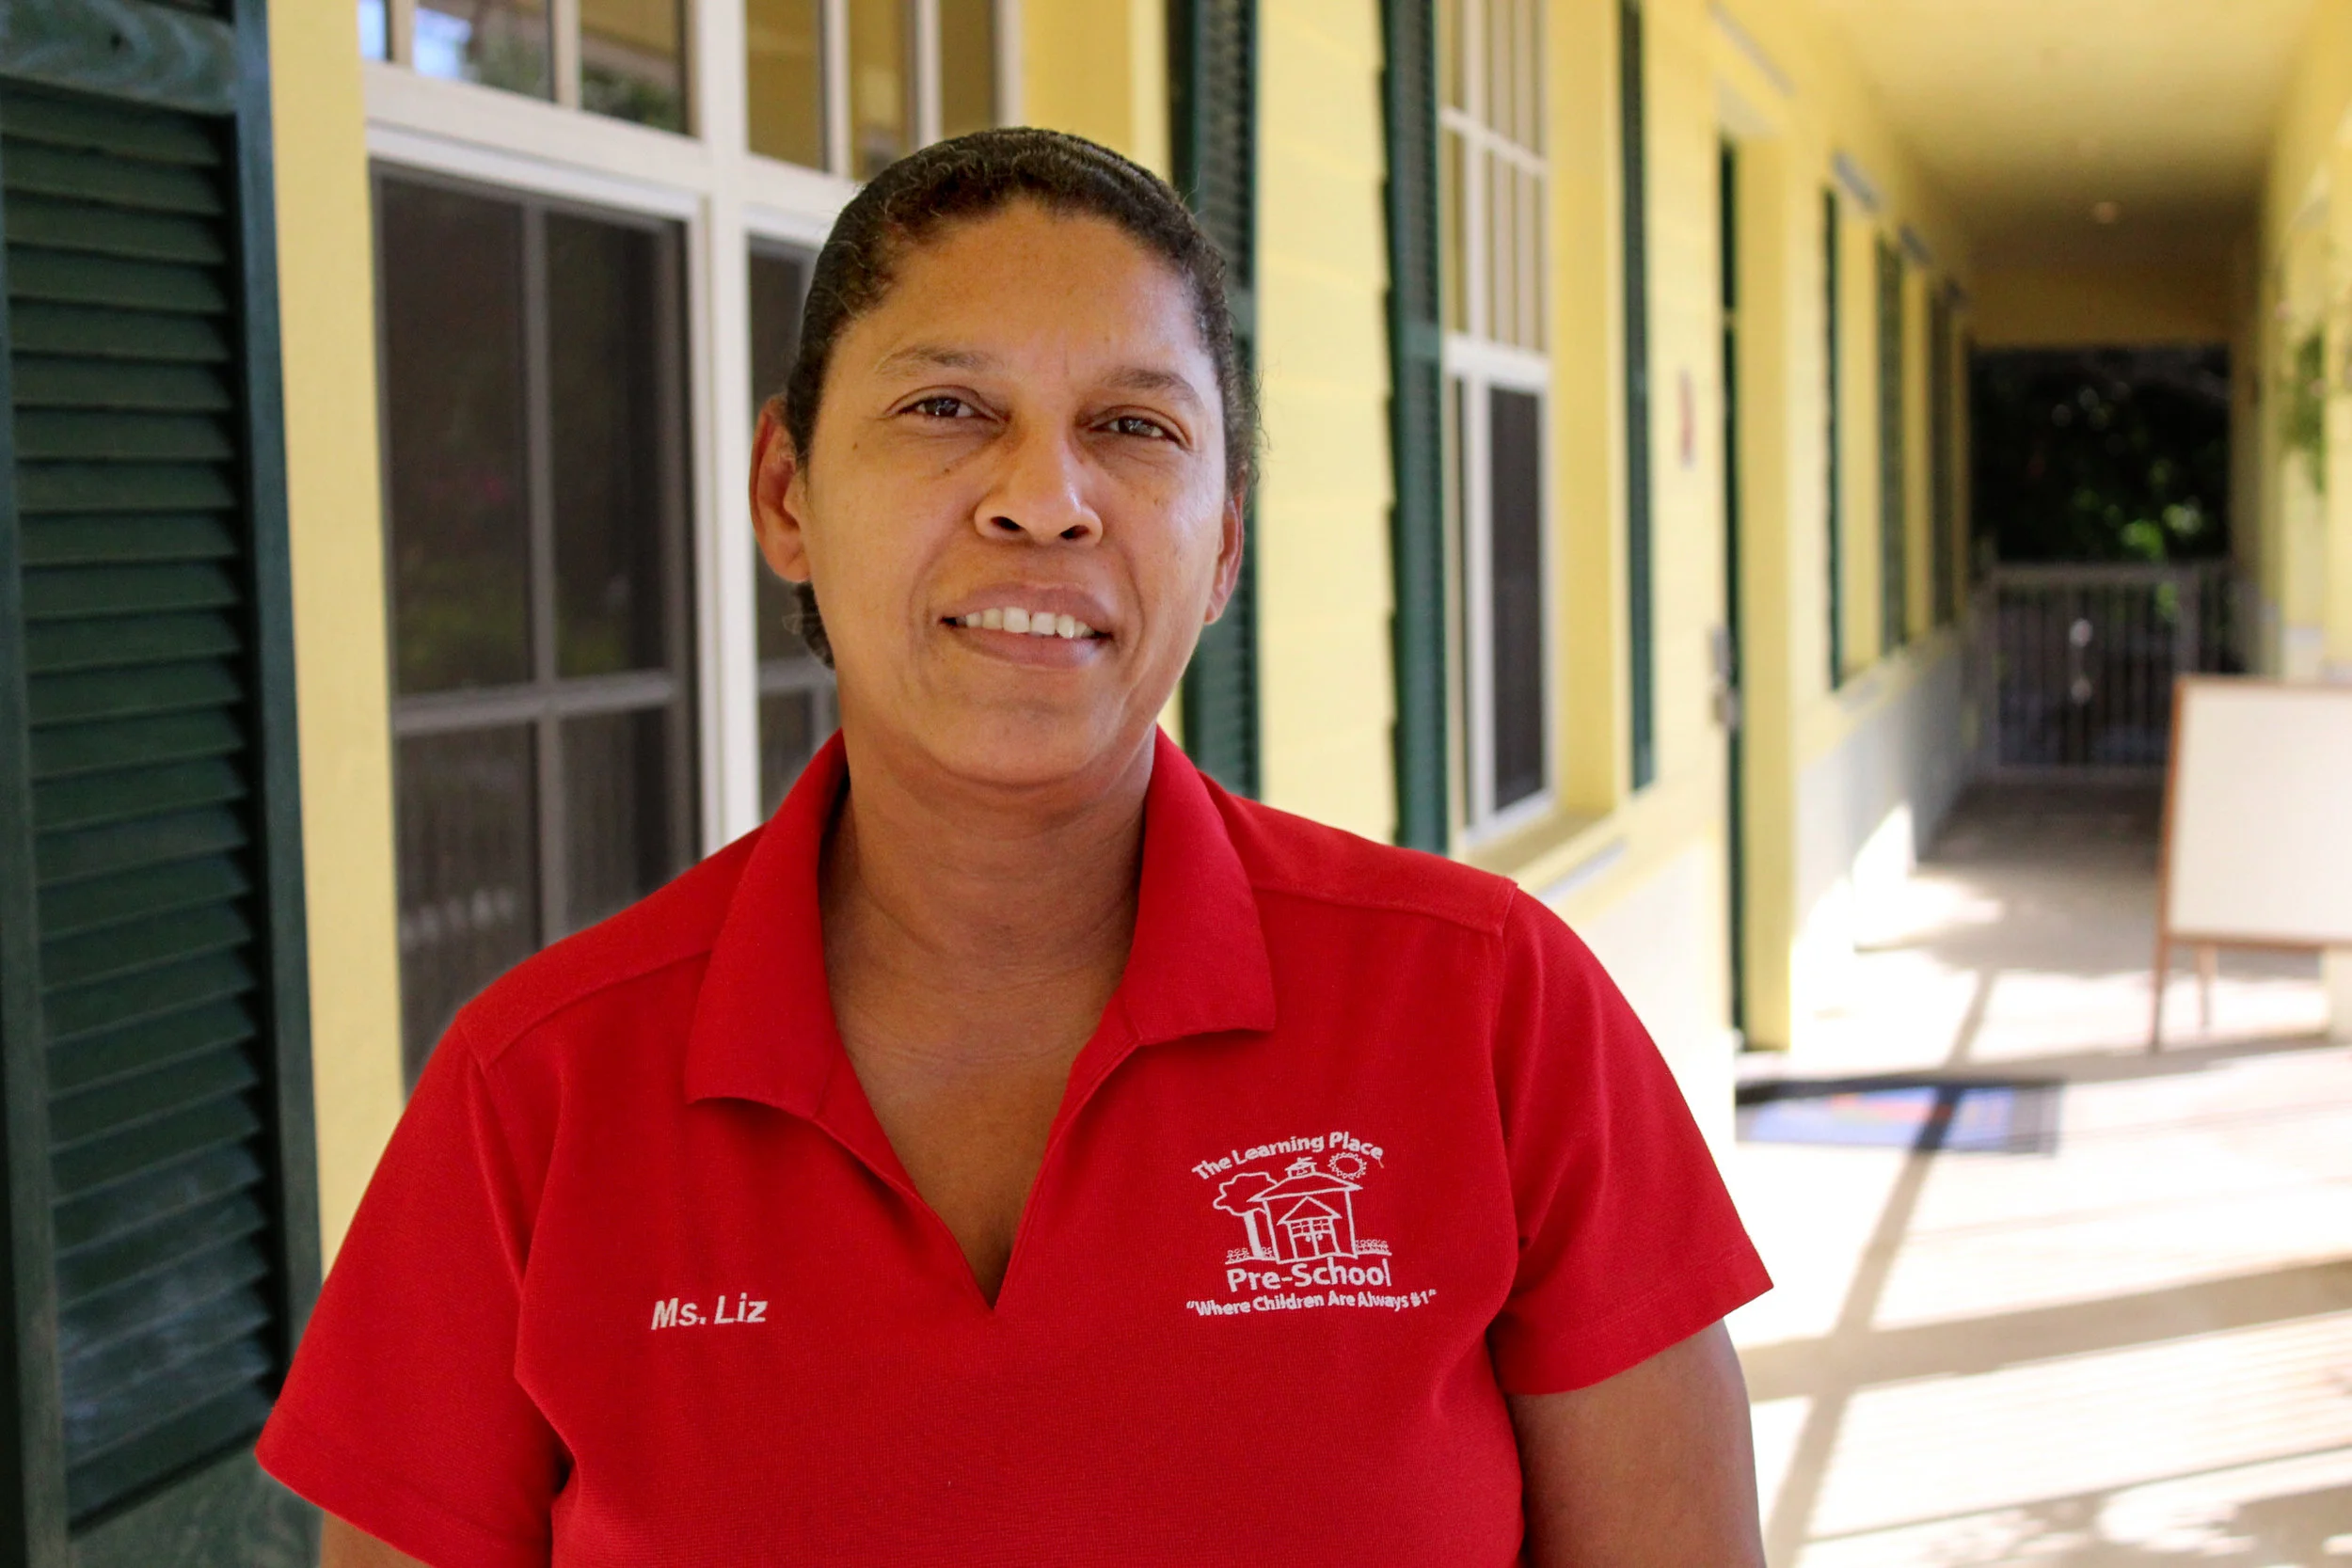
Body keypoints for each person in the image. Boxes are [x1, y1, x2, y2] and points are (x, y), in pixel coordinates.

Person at [261, 128, 1772, 1567]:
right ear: (787, 493)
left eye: (1134, 426)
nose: (1043, 500)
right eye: (946, 408)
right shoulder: (529, 1100)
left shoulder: (1493, 1010)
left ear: (1224, 542)